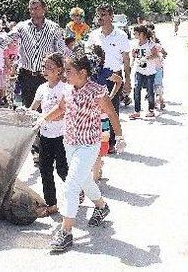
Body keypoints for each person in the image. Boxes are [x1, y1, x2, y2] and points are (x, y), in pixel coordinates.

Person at [37, 54, 125, 252]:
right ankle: (102, 206)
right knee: (84, 179)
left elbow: (111, 113)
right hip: (70, 143)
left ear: (83, 73)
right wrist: (43, 120)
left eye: (69, 71)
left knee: (70, 186)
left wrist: (119, 137)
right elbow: (60, 108)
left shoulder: (97, 91)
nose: (65, 75)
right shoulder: (68, 90)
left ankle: (66, 232)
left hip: (88, 145)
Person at [2, 0, 66, 163]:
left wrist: (69, 68)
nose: (33, 12)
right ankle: (37, 149)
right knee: (31, 112)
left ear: (44, 9)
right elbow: (8, 38)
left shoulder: (53, 28)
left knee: (49, 112)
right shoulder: (22, 27)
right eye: (31, 9)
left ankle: (52, 145)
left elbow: (60, 51)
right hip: (27, 75)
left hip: (47, 77)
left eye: (36, 8)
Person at [85, 4, 132, 152]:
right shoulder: (93, 35)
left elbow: (126, 59)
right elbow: (87, 56)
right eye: (98, 15)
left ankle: (112, 141)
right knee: (96, 110)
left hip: (114, 76)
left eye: (104, 14)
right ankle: (98, 139)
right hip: (96, 76)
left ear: (111, 16)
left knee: (112, 108)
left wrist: (128, 81)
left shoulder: (121, 35)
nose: (101, 18)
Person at [30, 53, 70, 217]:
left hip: (62, 135)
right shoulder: (41, 88)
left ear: (59, 70)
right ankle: (51, 204)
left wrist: (44, 119)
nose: (45, 70)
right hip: (45, 135)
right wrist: (27, 115)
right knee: (45, 169)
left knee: (62, 169)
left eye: (50, 67)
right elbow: (33, 107)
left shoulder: (65, 88)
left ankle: (77, 189)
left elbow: (63, 113)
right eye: (44, 67)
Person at [89, 46, 122, 180]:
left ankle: (97, 167)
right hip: (93, 115)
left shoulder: (103, 72)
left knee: (99, 146)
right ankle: (95, 172)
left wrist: (112, 96)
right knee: (93, 146)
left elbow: (119, 81)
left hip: (100, 114)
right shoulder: (83, 75)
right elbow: (118, 81)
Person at [129, 25, 160, 120]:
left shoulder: (150, 44)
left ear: (141, 34)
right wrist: (133, 57)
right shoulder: (135, 44)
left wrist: (147, 58)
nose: (134, 34)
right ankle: (137, 111)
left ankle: (150, 109)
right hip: (139, 71)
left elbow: (156, 55)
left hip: (150, 72)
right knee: (136, 89)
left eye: (135, 33)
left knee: (150, 91)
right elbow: (133, 55)